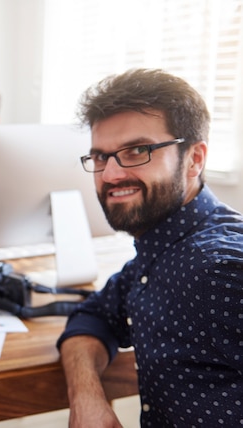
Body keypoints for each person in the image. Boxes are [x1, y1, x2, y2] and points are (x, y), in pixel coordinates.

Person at [56, 68, 243, 427]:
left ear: (195, 159)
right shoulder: (159, 252)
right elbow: (93, 316)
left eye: (138, 150)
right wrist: (87, 398)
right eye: (100, 157)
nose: (110, 175)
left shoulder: (219, 271)